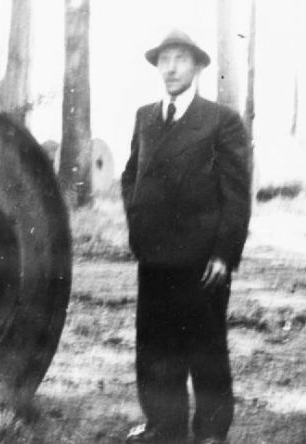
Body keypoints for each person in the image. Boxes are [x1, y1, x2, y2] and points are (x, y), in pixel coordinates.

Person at [121, 30, 252, 444]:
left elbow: (235, 193)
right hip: (155, 254)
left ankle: (211, 432)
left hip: (202, 260)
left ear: (196, 67)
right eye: (164, 60)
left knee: (205, 348)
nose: (171, 67)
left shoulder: (220, 120)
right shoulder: (145, 116)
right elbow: (131, 175)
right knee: (156, 348)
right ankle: (164, 425)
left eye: (180, 59)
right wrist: (139, 217)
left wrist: (223, 254)